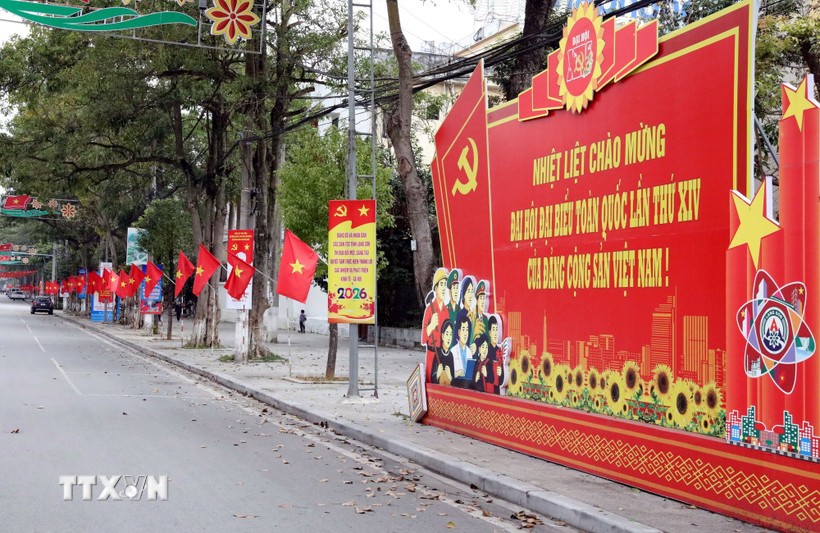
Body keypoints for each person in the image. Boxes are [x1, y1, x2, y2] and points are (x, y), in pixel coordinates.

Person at [421, 268, 449, 381]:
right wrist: (431, 325)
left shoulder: (446, 311)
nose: (444, 288)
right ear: (436, 289)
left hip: (443, 354)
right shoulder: (430, 309)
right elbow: (423, 338)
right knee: (431, 379)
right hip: (432, 353)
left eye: (445, 285)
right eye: (441, 284)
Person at [431, 319, 455, 386]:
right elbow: (431, 378)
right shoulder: (437, 354)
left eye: (450, 334)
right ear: (442, 336)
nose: (449, 337)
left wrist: (450, 377)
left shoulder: (451, 355)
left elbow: (453, 379)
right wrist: (437, 374)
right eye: (447, 334)